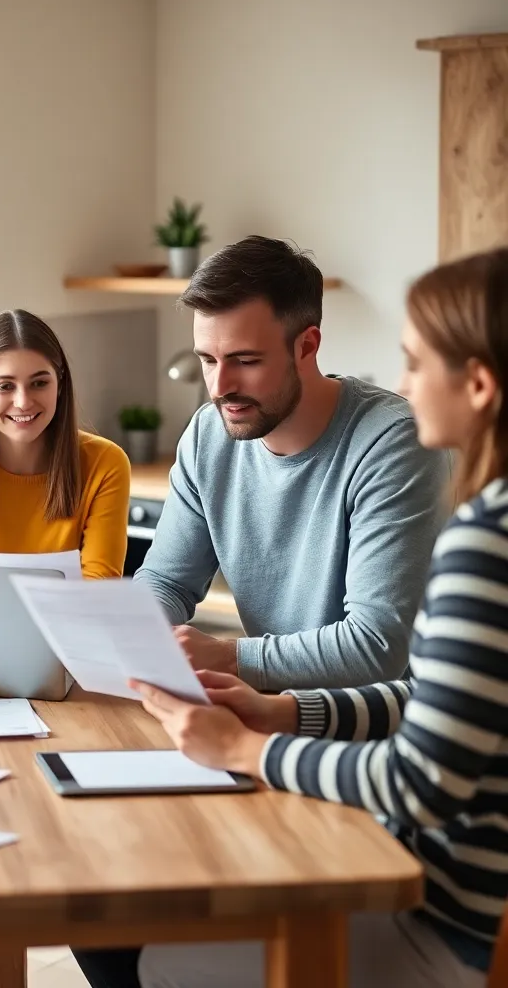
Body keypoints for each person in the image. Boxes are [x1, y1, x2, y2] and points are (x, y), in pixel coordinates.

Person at [129, 248, 508, 988]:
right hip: (429, 873)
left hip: (439, 909)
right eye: (207, 360)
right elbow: (434, 700)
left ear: (481, 384)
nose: (402, 382)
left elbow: (418, 780)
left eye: (415, 361)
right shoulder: (491, 523)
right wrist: (283, 713)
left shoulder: (483, 543)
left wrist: (244, 749)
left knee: (162, 955)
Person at [134, 235, 449, 690]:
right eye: (207, 359)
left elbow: (375, 647)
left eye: (245, 360)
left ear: (307, 345)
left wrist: (227, 656)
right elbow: (166, 580)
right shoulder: (208, 434)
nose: (220, 386)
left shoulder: (393, 443)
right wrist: (131, 634)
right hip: (274, 708)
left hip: (385, 728)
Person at [0, 309, 130, 579]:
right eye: (5, 386)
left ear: (60, 383)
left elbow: (99, 589)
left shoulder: (105, 463)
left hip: (73, 622)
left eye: (39, 383)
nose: (23, 401)